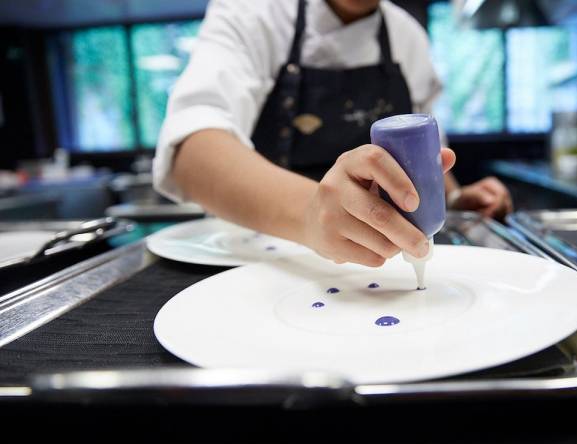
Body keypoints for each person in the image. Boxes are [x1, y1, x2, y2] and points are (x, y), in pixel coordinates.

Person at [153, 0, 512, 268]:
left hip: (382, 263)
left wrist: (453, 198)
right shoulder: (252, 12)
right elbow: (193, 151)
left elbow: (424, 155)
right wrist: (312, 213)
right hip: (265, 261)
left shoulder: (407, 37)